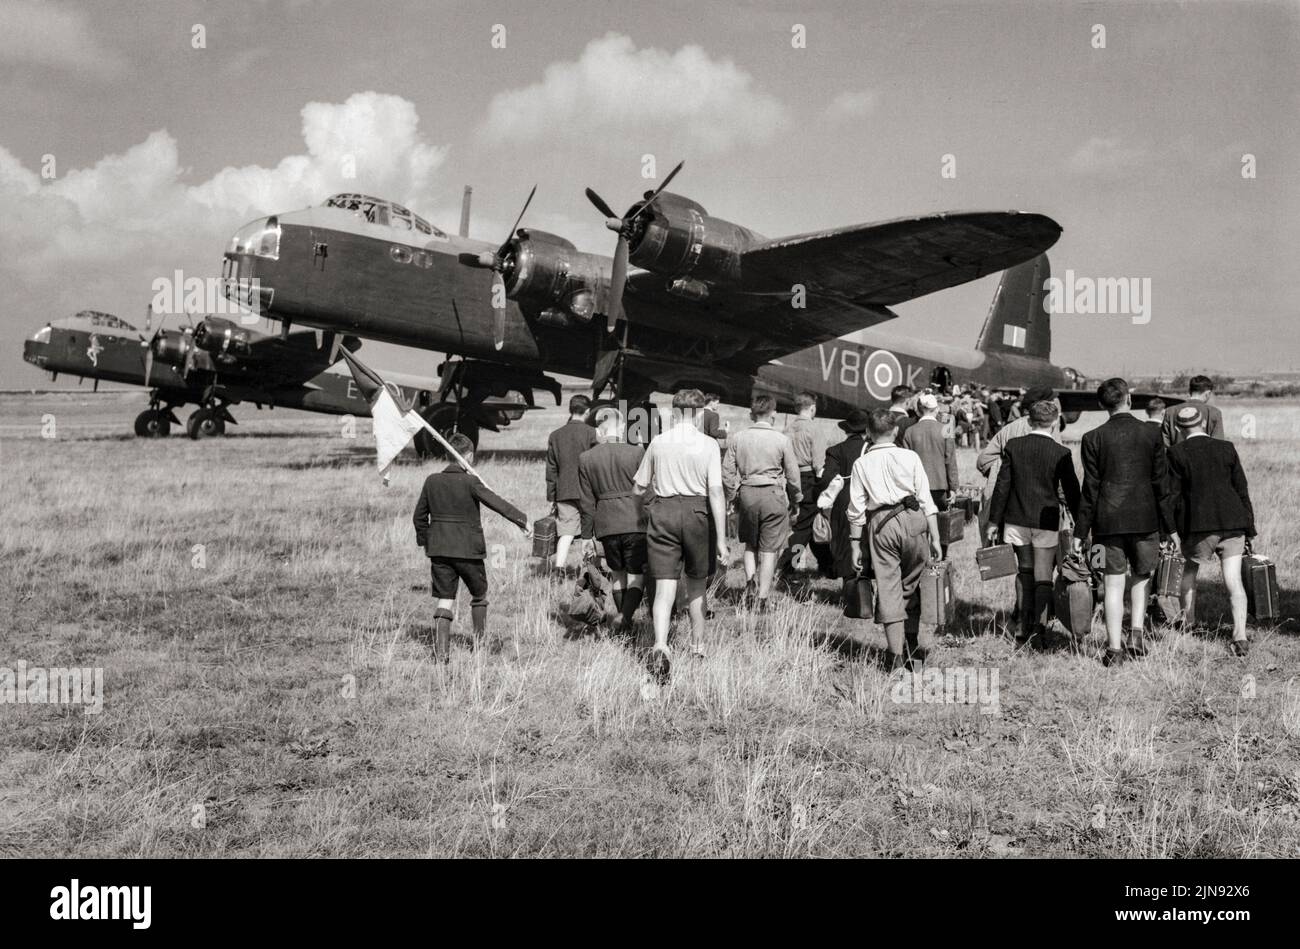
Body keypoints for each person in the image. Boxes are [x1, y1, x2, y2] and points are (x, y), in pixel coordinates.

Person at [1073, 378, 1177, 666]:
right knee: (1142, 578)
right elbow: (1161, 483)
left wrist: (1080, 532)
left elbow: (1089, 489)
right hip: (1147, 521)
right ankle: (1137, 634)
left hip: (1106, 524)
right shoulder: (1151, 434)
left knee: (1112, 584)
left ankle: (1114, 649)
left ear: (1100, 405)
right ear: (1129, 399)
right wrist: (1171, 527)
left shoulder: (1092, 438)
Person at [634, 389, 728, 682]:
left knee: (664, 587)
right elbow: (715, 491)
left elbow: (638, 487)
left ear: (673, 413)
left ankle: (661, 646)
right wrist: (722, 539)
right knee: (697, 587)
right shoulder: (709, 444)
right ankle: (698, 648)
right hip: (698, 513)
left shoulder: (659, 442)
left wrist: (642, 514)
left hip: (663, 511)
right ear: (701, 413)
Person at [412, 433, 531, 662]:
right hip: (469, 551)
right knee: (479, 594)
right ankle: (479, 645)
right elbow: (497, 503)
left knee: (444, 599)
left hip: (439, 552)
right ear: (468, 456)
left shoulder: (431, 481)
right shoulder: (471, 482)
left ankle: (442, 655)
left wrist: (428, 541)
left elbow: (419, 517)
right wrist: (522, 520)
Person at [846, 410, 944, 671]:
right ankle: (912, 646)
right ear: (896, 431)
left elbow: (856, 508)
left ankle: (895, 656)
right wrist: (935, 536)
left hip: (881, 524)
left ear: (868, 433)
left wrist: (855, 543)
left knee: (889, 587)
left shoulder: (862, 463)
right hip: (913, 519)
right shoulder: (909, 456)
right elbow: (926, 499)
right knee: (912, 584)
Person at [986, 400, 1081, 646]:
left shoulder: (1013, 446)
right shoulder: (1061, 452)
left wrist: (993, 520)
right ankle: (1039, 628)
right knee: (1042, 576)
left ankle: (1020, 626)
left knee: (1024, 570)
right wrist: (1082, 522)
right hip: (1046, 520)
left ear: (1029, 421)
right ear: (1054, 423)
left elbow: (1002, 486)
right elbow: (1072, 492)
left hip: (1016, 518)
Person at [1166, 405, 1256, 655]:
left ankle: (1189, 623)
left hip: (1197, 525)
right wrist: (1250, 527)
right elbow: (1241, 488)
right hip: (1232, 522)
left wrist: (1171, 530)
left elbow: (1171, 496)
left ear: (1178, 429)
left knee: (1189, 574)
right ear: (1204, 423)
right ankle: (1240, 635)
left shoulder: (1175, 453)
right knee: (1233, 580)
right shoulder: (1226, 448)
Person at [722, 394, 802, 611]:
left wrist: (732, 496)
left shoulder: (738, 438)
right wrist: (796, 500)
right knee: (769, 550)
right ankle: (763, 598)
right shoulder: (782, 440)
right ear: (773, 414)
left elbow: (727, 472)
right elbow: (793, 477)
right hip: (773, 495)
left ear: (751, 414)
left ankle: (749, 583)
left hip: (747, 493)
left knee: (750, 543)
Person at [577, 408, 648, 632]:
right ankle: (625, 618)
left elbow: (586, 502)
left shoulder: (586, 458)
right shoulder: (636, 453)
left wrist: (586, 536)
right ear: (622, 427)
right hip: (635, 520)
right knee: (636, 575)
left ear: (599, 429)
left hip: (606, 524)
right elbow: (648, 490)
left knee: (617, 575)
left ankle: (624, 627)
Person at [819, 409, 870, 604]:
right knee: (866, 541)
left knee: (844, 542)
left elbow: (826, 479)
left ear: (847, 430)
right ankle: (867, 589)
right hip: (867, 498)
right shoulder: (871, 448)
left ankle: (848, 590)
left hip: (843, 500)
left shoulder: (835, 450)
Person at [545, 394, 599, 573]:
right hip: (588, 490)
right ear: (588, 412)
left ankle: (558, 569)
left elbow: (551, 469)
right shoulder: (592, 433)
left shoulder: (555, 435)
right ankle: (592, 568)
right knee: (590, 531)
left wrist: (552, 496)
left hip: (564, 490)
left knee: (566, 532)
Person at [901, 392, 959, 556]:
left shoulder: (910, 432)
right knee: (941, 524)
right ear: (936, 409)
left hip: (916, 488)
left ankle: (922, 559)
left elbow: (906, 465)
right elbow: (950, 460)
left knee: (920, 527)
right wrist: (953, 487)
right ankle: (940, 560)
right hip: (940, 485)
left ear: (919, 410)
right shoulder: (945, 429)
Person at [779, 391, 829, 577]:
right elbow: (818, 463)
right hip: (810, 480)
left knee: (808, 523)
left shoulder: (788, 430)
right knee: (803, 529)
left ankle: (827, 565)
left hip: (792, 481)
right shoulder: (814, 429)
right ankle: (787, 565)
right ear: (812, 408)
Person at [1161, 375, 1225, 447]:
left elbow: (1165, 444)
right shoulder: (1214, 412)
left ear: (1189, 391)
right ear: (1208, 393)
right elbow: (1219, 444)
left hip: (1176, 457)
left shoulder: (1170, 411)